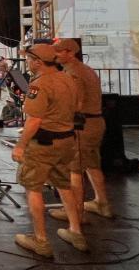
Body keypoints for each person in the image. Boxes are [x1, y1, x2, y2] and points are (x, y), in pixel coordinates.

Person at [12, 44, 86, 258]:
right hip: (66, 140)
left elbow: (34, 120)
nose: (27, 63)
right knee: (64, 185)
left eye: (29, 59)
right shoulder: (68, 78)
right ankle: (76, 231)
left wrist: (20, 145)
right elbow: (78, 106)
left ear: (37, 62)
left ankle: (41, 240)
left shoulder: (40, 84)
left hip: (44, 144)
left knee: (32, 187)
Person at [48, 39, 112, 222]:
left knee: (74, 170)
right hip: (95, 123)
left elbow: (77, 103)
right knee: (92, 165)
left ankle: (76, 214)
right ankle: (102, 203)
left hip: (82, 126)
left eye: (58, 51)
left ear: (70, 53)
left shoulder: (73, 73)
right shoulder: (86, 69)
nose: (55, 55)